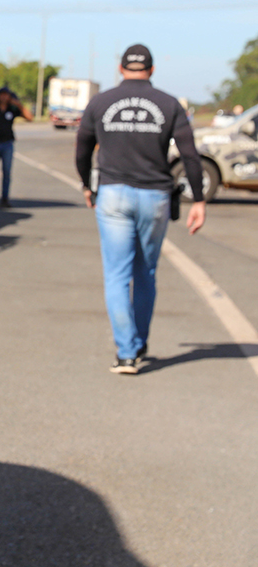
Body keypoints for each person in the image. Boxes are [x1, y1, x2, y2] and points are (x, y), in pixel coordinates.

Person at [75, 44, 207, 375]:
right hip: (155, 196)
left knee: (117, 275)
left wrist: (86, 184)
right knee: (145, 272)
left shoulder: (101, 102)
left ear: (120, 69)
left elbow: (82, 148)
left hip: (113, 194)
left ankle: (126, 353)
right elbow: (190, 154)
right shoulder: (168, 104)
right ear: (151, 69)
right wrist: (200, 199)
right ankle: (140, 340)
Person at [0, 86, 33, 207]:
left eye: (6, 95)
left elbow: (30, 117)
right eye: (1, 94)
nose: (3, 97)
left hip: (7, 144)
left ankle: (4, 198)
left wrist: (18, 104)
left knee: (6, 172)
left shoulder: (12, 109)